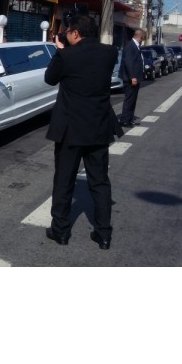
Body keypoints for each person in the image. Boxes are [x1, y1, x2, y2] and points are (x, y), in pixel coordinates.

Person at [44, 14, 123, 250]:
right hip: (98, 127)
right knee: (99, 182)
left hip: (70, 130)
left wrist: (60, 51)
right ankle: (104, 233)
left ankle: (60, 231)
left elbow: (50, 79)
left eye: (68, 31)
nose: (66, 35)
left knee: (64, 180)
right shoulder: (110, 53)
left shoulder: (66, 56)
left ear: (75, 33)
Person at [117, 28, 146, 128]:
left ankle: (129, 118)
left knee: (133, 100)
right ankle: (124, 120)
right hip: (131, 79)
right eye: (143, 37)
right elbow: (129, 63)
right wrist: (132, 77)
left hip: (135, 78)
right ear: (140, 37)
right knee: (129, 100)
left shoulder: (136, 46)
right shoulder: (131, 46)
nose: (143, 40)